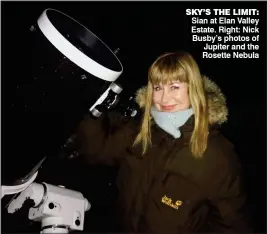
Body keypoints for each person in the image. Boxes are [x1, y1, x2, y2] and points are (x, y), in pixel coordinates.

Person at [74, 51, 252, 232]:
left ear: (193, 89)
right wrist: (94, 111)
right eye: (158, 88)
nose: (164, 99)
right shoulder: (142, 130)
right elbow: (96, 151)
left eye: (174, 87)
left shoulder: (217, 156)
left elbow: (232, 225)